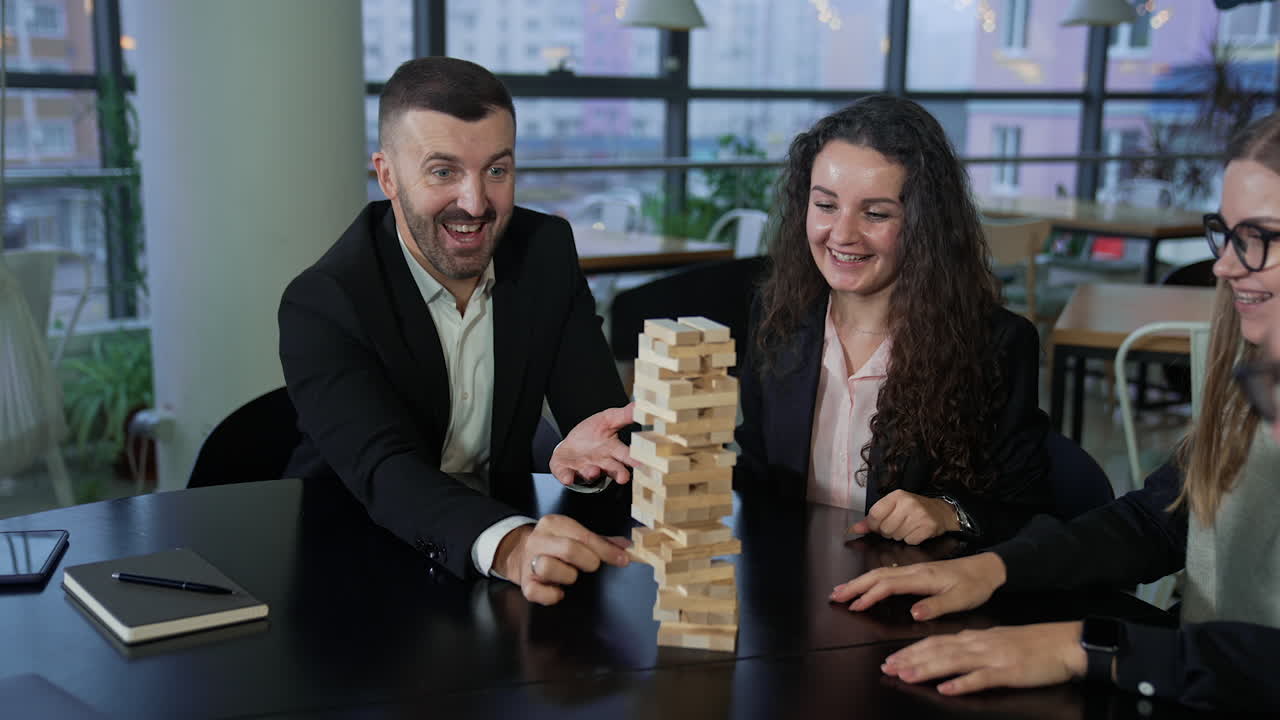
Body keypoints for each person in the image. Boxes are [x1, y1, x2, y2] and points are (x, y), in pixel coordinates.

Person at [829, 112, 1280, 712]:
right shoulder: (1246, 384)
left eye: (1261, 238)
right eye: (1226, 234)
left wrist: (1090, 648)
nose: (1224, 265)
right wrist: (993, 569)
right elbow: (1159, 521)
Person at [278, 57, 636, 606]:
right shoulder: (326, 301)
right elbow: (385, 470)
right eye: (443, 171)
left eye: (497, 170)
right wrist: (511, 546)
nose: (475, 204)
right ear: (388, 175)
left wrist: (587, 464)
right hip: (358, 567)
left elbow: (597, 425)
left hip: (506, 567)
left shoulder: (544, 253)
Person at [736, 96, 1051, 546]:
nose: (842, 234)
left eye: (876, 213)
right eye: (826, 206)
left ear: (925, 225)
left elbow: (1028, 511)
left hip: (910, 597)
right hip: (787, 587)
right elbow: (755, 470)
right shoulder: (777, 320)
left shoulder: (996, 344)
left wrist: (950, 512)